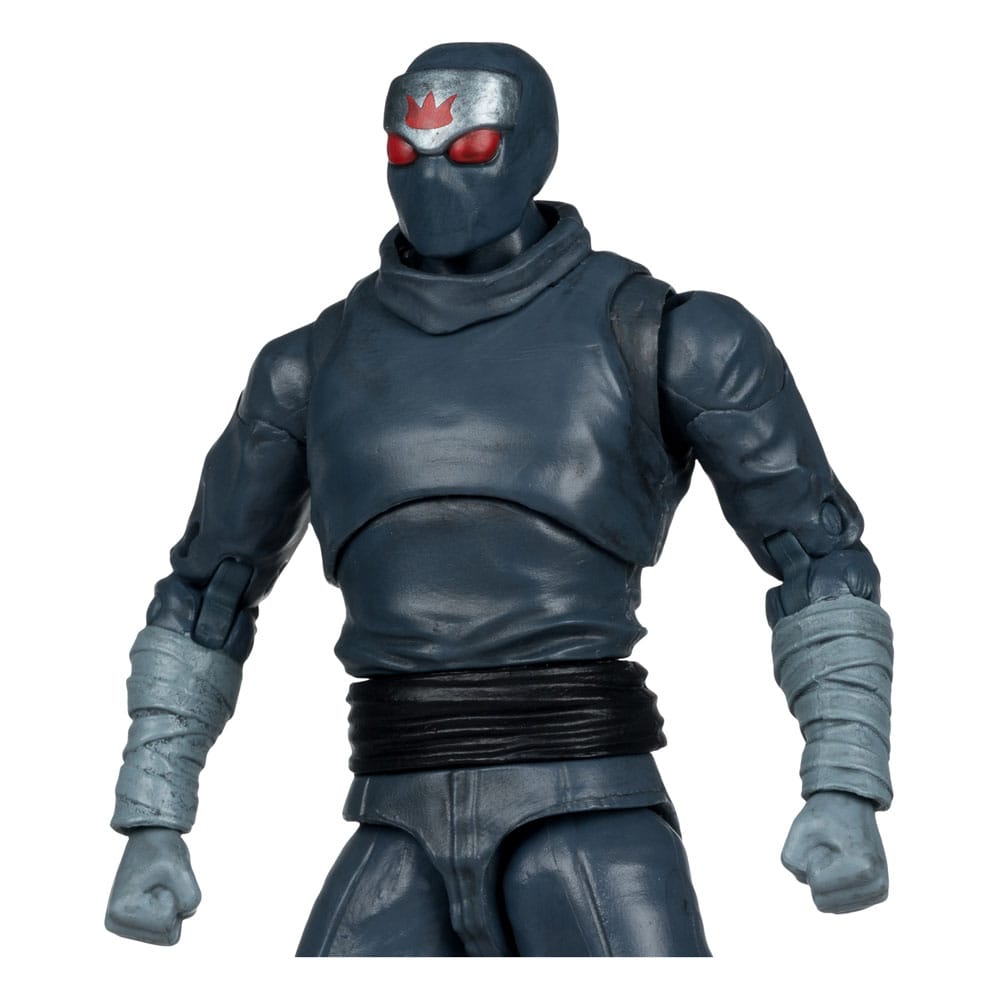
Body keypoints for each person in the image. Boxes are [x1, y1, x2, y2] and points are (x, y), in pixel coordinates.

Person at [106, 42, 892, 957]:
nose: (433, 173)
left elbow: (817, 560)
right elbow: (208, 595)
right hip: (395, 814)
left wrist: (843, 782)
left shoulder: (668, 335)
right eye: (404, 151)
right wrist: (154, 819)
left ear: (531, 149)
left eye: (470, 149)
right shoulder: (308, 366)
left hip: (588, 805)